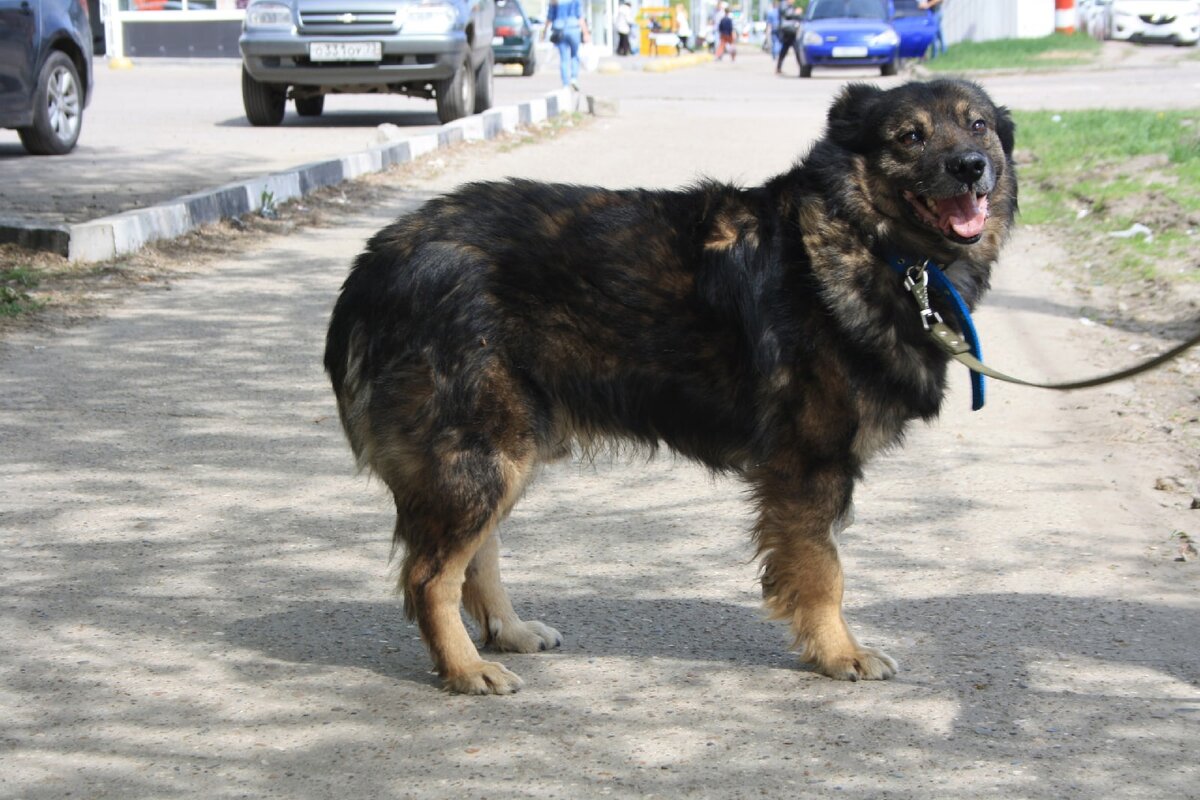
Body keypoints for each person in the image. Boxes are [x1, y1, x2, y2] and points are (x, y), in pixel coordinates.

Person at [544, 0, 591, 89]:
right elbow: (580, 16)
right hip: (573, 29)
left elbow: (549, 17)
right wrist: (586, 32)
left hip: (559, 30)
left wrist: (544, 31)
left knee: (564, 58)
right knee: (574, 55)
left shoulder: (554, 1)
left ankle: (565, 83)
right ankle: (574, 78)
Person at [775, 2, 803, 74]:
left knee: (786, 49)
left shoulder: (790, 6)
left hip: (791, 30)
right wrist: (796, 13)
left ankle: (779, 67)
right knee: (795, 49)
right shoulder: (784, 5)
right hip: (787, 31)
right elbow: (787, 15)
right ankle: (802, 67)